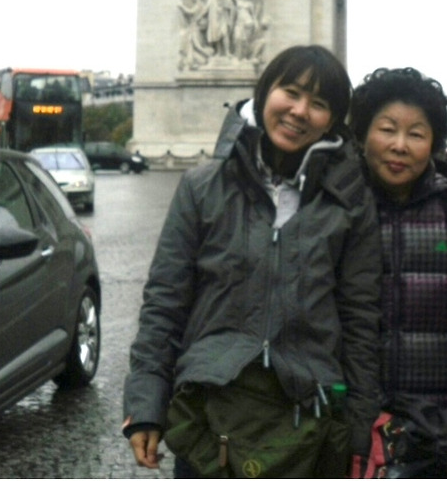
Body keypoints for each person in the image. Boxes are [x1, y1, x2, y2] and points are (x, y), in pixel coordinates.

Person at [122, 44, 381, 478]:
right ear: (263, 92)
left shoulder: (351, 203)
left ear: (333, 120)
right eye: (291, 92)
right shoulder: (200, 187)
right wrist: (146, 403)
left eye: (319, 104)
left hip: (309, 425)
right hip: (208, 416)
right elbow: (164, 304)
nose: (300, 111)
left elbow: (360, 322)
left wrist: (358, 431)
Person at [350, 67, 447, 478]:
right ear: (362, 135)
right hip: (349, 425)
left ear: (434, 144)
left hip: (436, 429)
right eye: (387, 130)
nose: (400, 146)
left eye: (417, 134)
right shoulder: (337, 208)